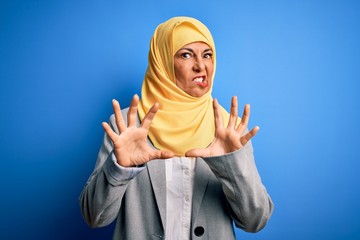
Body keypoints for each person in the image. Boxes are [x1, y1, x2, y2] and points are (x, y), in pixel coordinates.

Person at [79, 16, 273, 240]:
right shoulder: (128, 124)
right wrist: (119, 168)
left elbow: (255, 221)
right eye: (186, 54)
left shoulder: (228, 128)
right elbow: (94, 217)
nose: (201, 66)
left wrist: (232, 164)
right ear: (163, 63)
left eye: (207, 55)